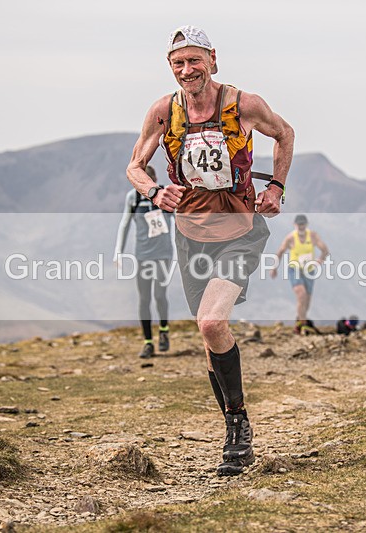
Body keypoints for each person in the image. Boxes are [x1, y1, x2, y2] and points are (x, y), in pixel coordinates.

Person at [125, 25, 294, 476]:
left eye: (194, 60)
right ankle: (234, 429)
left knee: (211, 320)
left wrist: (276, 187)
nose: (187, 70)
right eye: (178, 63)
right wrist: (154, 191)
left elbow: (285, 133)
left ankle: (237, 428)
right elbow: (135, 166)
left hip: (241, 230)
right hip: (190, 236)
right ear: (170, 68)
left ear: (213, 59)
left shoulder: (244, 105)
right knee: (208, 336)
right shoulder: (163, 112)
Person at [113, 165, 174, 359]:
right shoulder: (133, 197)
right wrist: (118, 252)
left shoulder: (165, 195)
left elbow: (180, 220)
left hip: (163, 254)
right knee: (144, 298)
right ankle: (148, 343)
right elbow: (124, 223)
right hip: (143, 256)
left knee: (160, 294)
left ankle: (163, 331)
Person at [271, 214, 330, 333]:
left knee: (306, 301)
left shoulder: (312, 236)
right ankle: (303, 325)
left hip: (309, 270)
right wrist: (274, 267)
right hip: (295, 269)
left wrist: (320, 260)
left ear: (306, 225)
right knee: (301, 295)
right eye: (299, 224)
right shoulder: (290, 238)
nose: (301, 227)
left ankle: (299, 321)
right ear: (295, 225)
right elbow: (280, 252)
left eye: (303, 224)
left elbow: (325, 250)